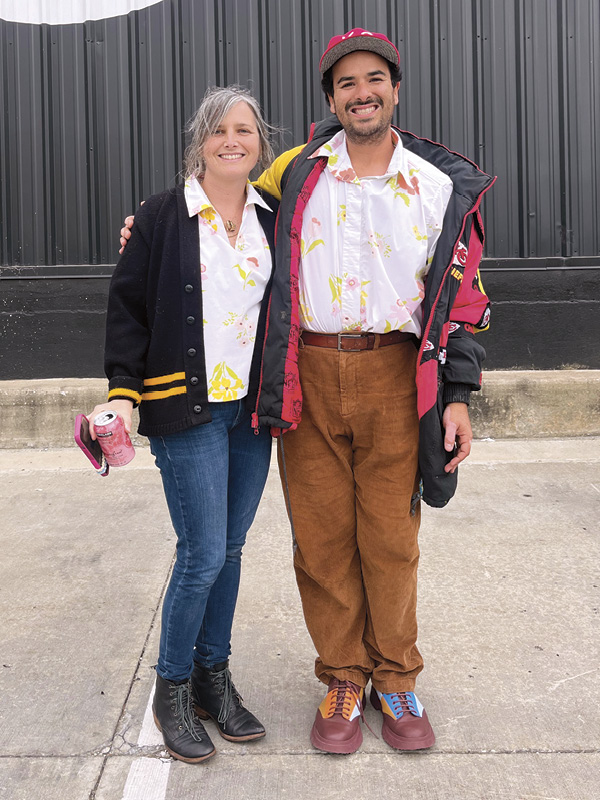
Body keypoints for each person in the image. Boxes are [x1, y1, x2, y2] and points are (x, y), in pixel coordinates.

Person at [120, 29, 494, 756]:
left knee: (390, 538)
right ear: (331, 98)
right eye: (347, 83)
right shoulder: (294, 172)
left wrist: (456, 393)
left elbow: (463, 298)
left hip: (394, 373)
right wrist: (151, 225)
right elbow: (218, 208)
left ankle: (397, 677)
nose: (362, 93)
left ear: (394, 89)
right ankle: (344, 677)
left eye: (374, 79)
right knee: (321, 540)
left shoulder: (438, 186)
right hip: (305, 374)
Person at [90, 85, 279, 764]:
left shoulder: (273, 216)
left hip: (251, 413)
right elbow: (128, 310)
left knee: (229, 548)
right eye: (220, 130)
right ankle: (172, 688)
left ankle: (213, 678)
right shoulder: (161, 217)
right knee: (201, 553)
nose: (234, 141)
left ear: (261, 144)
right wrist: (124, 393)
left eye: (246, 131)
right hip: (184, 407)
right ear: (200, 140)